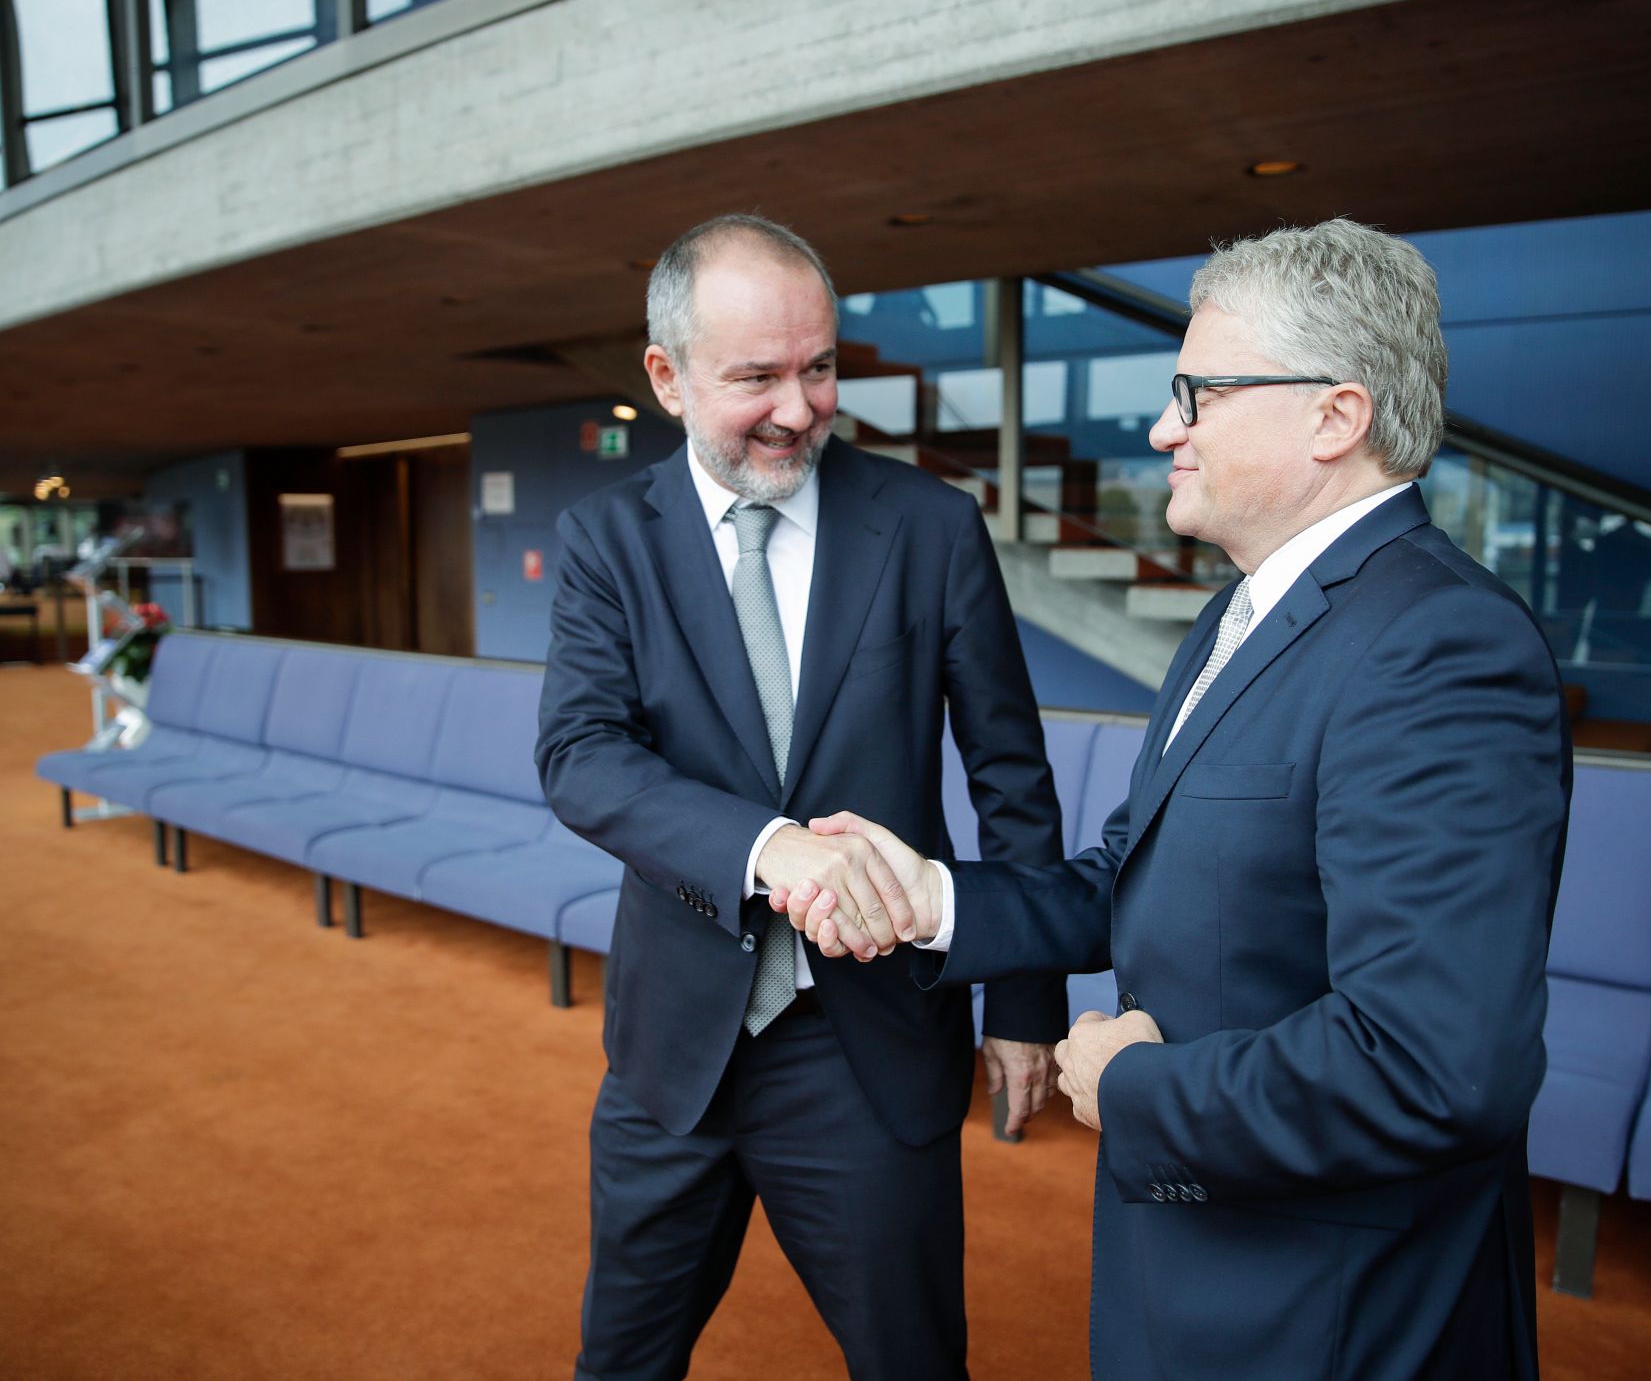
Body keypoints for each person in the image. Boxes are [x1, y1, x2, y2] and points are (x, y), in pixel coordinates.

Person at [776, 219, 1572, 1380]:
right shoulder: (1242, 612)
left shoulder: (1439, 644)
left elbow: (1433, 1068)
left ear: (1333, 416)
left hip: (1332, 1313)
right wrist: (935, 900)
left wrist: (1134, 1088)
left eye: (1197, 395)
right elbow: (1130, 877)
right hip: (1202, 1266)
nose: (1162, 431)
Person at [535, 213, 1067, 1381]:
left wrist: (1025, 1001)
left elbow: (1009, 778)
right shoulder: (604, 544)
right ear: (667, 379)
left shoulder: (929, 527)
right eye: (757, 377)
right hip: (672, 1055)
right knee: (617, 1363)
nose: (799, 406)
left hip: (868, 1048)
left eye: (819, 367)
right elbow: (579, 755)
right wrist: (768, 847)